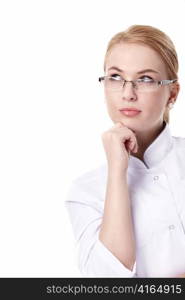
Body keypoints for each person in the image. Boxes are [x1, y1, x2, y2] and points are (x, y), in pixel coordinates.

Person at [65, 25, 185, 278]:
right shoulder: (86, 191)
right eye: (116, 78)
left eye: (145, 79)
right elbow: (109, 281)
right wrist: (117, 173)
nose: (128, 94)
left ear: (172, 93)